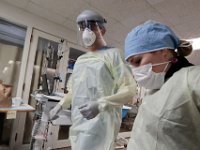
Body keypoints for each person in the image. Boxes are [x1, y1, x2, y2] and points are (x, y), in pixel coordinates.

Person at [50, 10, 137, 150]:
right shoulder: (80, 60)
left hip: (102, 122)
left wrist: (100, 104)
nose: (86, 31)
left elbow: (129, 89)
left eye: (90, 26)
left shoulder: (113, 54)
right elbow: (74, 90)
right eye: (82, 27)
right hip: (79, 120)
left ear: (102, 30)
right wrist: (60, 105)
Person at [124, 20, 200, 150]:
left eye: (137, 61)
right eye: (131, 65)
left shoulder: (193, 78)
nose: (134, 71)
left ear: (163, 52)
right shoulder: (153, 88)